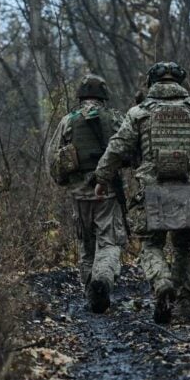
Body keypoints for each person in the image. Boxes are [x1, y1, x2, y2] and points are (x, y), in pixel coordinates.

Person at [93, 62, 190, 325]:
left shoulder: (139, 113)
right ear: (181, 83)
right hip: (189, 189)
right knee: (184, 246)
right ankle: (184, 304)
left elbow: (118, 147)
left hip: (152, 190)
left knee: (151, 245)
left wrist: (102, 177)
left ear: (152, 83)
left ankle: (162, 283)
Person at [48, 74, 127, 313]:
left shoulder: (68, 121)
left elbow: (53, 158)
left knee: (86, 243)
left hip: (79, 192)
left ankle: (91, 293)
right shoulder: (114, 118)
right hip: (108, 190)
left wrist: (64, 181)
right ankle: (101, 279)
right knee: (110, 241)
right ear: (103, 96)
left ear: (80, 96)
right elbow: (128, 147)